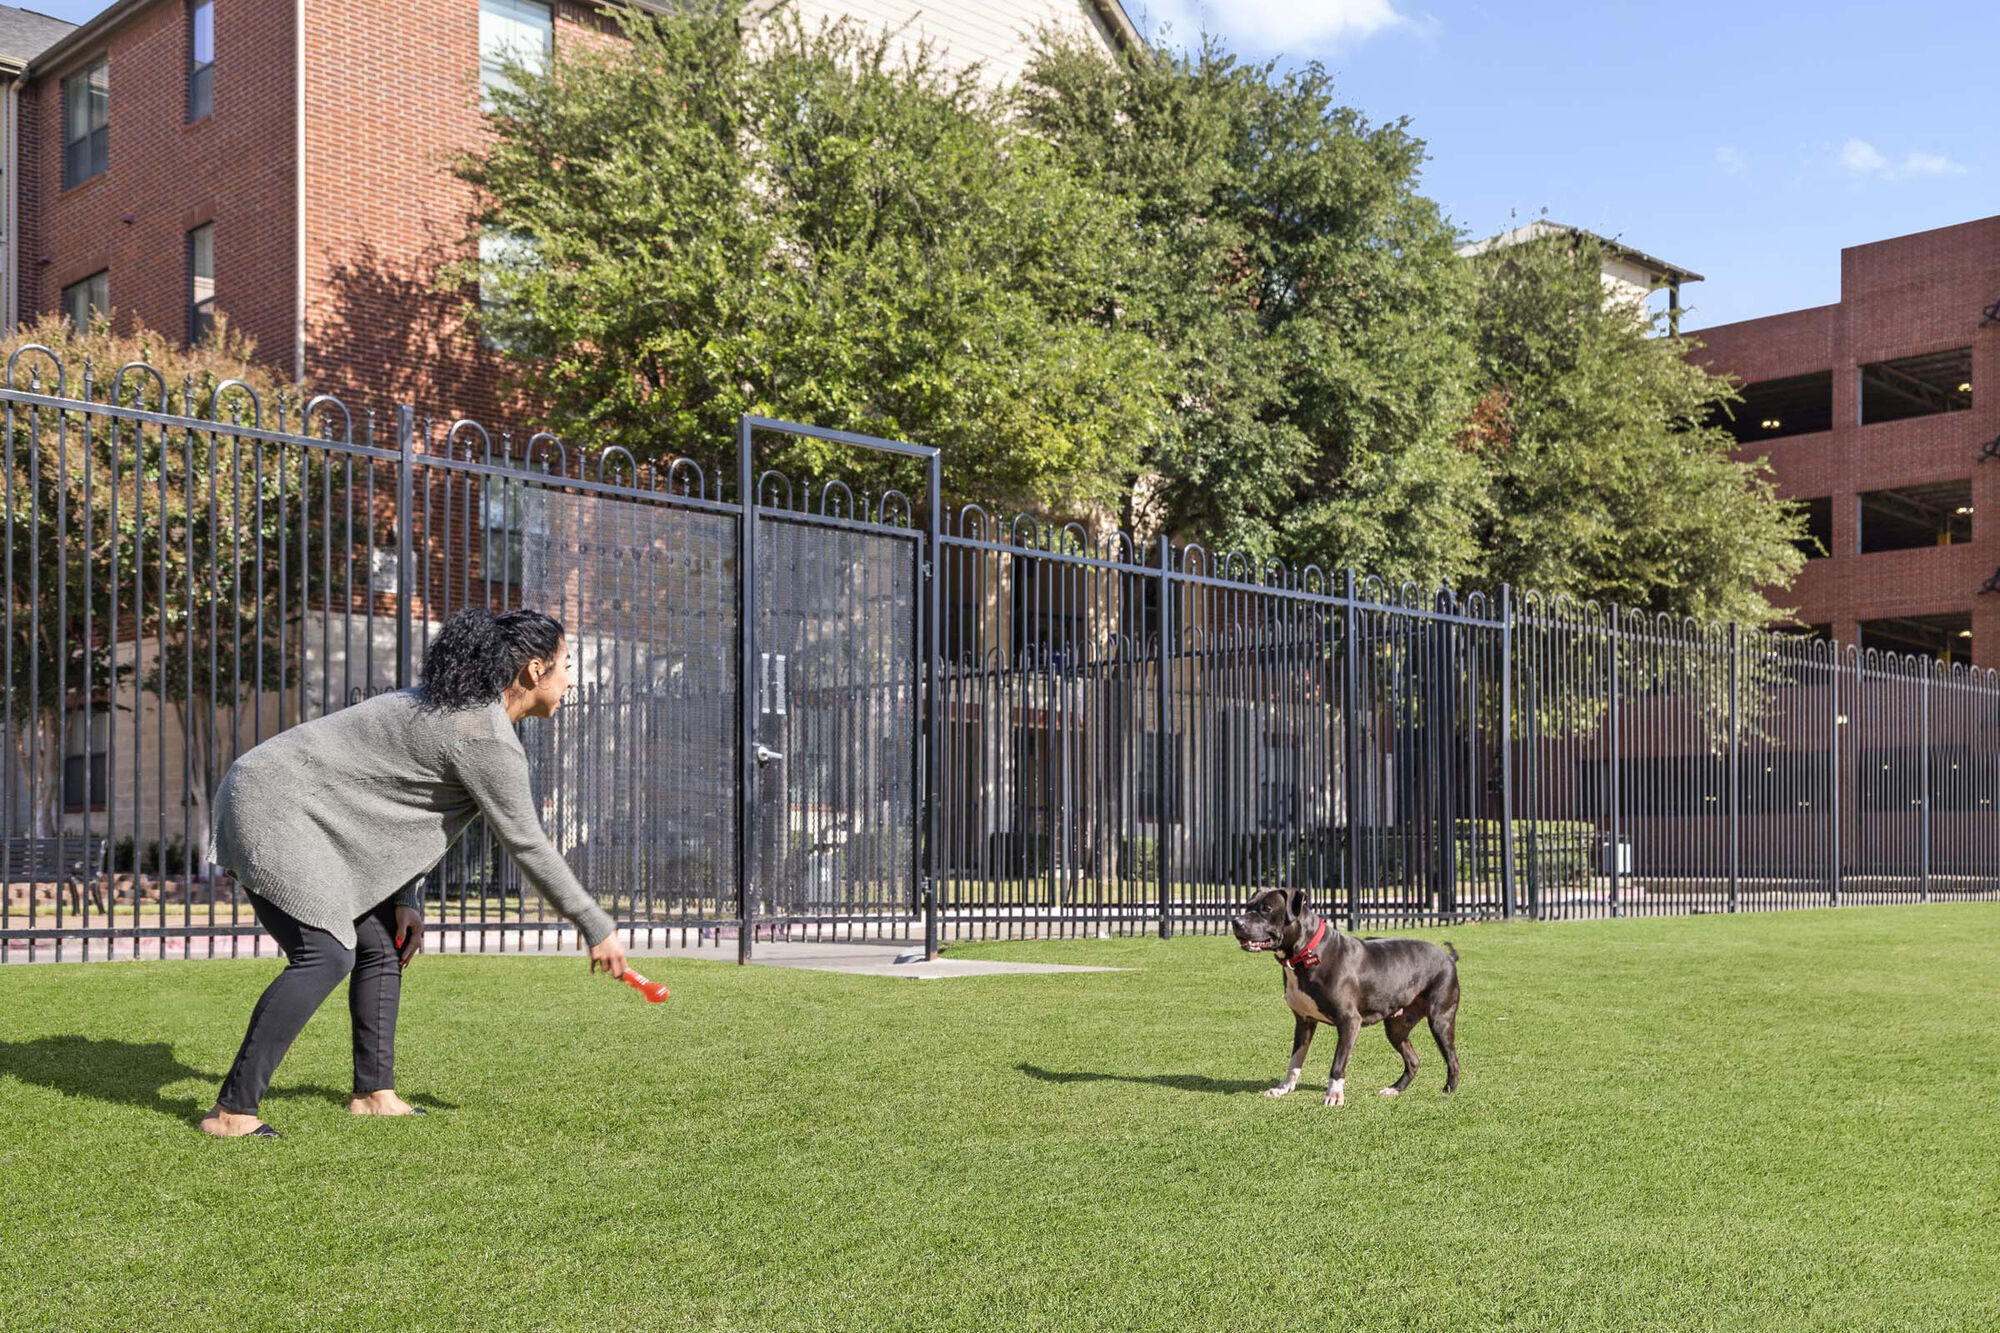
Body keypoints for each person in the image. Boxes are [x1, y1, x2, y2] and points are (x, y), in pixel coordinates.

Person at [199, 608, 625, 1138]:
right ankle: (231, 1112)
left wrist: (406, 897)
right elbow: (526, 844)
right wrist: (594, 923)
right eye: (566, 664)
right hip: (272, 801)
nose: (569, 679)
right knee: (327, 953)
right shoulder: (483, 735)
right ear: (534, 671)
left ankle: (374, 1094)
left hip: (302, 805)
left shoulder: (465, 717)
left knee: (381, 944)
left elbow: (397, 811)